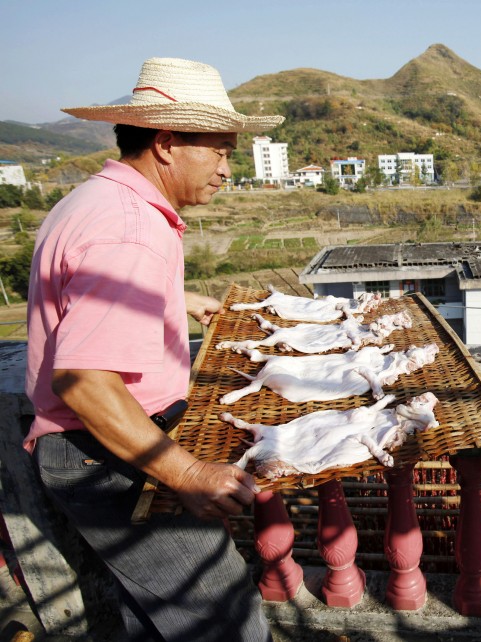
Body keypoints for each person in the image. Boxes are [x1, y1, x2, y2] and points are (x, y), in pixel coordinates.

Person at [24, 57, 285, 641]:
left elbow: (77, 288)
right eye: (218, 150)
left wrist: (172, 297)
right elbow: (85, 381)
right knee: (224, 622)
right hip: (108, 456)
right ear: (166, 143)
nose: (226, 169)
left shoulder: (98, 199)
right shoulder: (130, 229)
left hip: (96, 450)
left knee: (156, 621)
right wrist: (188, 472)